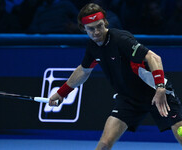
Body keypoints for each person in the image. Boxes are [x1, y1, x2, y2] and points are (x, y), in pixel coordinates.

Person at [49, 3, 182, 149]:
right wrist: (61, 93)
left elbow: (153, 58)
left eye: (99, 26)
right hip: (128, 100)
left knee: (180, 133)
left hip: (155, 93)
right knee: (104, 144)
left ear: (105, 22)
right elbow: (83, 70)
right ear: (83, 28)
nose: (96, 32)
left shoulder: (121, 39)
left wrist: (160, 88)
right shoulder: (93, 47)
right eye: (91, 28)